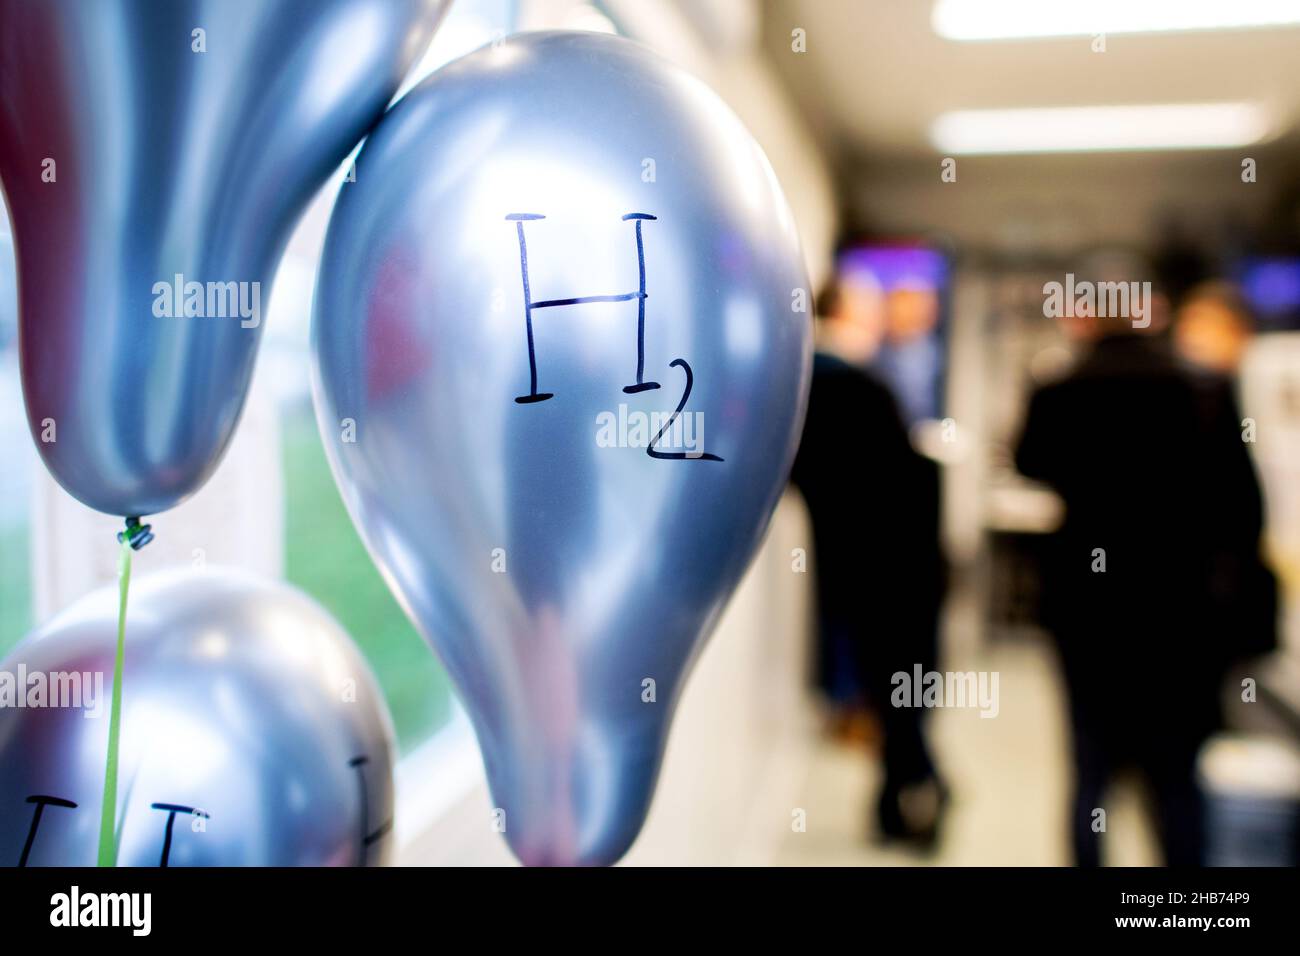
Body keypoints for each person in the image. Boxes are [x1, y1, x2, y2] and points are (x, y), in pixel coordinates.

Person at [1015, 281, 1275, 866]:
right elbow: (1244, 509)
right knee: (1176, 771)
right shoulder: (1204, 387)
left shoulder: (1057, 388)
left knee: (1090, 765)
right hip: (1178, 605)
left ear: (1087, 320)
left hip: (1085, 604)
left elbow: (1031, 463)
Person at [790, 274, 948, 847]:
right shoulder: (852, 381)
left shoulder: (814, 380)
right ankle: (919, 789)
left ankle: (907, 792)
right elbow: (894, 480)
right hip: (893, 566)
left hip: (855, 564)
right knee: (904, 684)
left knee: (892, 687)